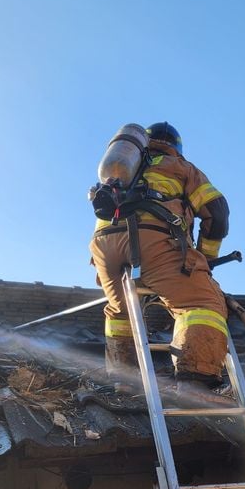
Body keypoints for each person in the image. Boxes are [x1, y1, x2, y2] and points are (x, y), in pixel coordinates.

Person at [89, 122, 230, 391]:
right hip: (153, 240)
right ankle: (195, 381)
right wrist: (205, 259)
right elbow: (218, 214)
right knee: (201, 304)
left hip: (104, 244)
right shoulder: (182, 168)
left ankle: (123, 381)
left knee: (121, 311)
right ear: (176, 147)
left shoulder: (125, 164)